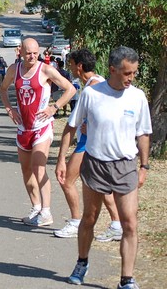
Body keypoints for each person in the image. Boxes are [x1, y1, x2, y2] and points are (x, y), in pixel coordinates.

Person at [57, 46, 152, 289]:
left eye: (134, 73)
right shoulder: (92, 94)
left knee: (129, 222)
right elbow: (73, 125)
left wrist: (144, 166)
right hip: (96, 164)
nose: (131, 78)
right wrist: (61, 159)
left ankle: (126, 279)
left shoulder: (137, 96)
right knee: (89, 218)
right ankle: (82, 261)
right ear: (112, 70)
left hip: (126, 165)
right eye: (126, 73)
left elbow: (143, 134)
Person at [0, 37, 75, 227]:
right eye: (28, 53)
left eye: (35, 53)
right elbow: (2, 88)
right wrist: (9, 109)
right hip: (23, 128)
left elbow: (70, 89)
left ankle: (47, 212)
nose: (32, 56)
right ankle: (36, 208)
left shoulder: (46, 69)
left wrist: (54, 108)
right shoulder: (13, 70)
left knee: (38, 168)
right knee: (26, 170)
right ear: (20, 52)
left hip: (42, 126)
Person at [53, 49, 122, 241]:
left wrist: (61, 158)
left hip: (90, 143)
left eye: (72, 64)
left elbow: (71, 127)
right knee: (99, 186)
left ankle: (76, 221)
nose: (70, 67)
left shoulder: (92, 89)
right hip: (91, 141)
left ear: (79, 66)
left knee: (66, 179)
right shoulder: (97, 82)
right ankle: (116, 224)